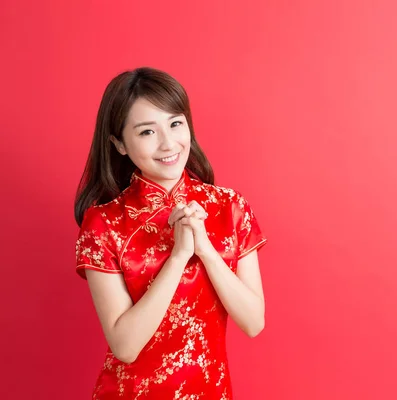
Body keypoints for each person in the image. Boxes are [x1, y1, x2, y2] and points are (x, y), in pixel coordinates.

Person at [74, 67, 268, 399]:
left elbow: (253, 322)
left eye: (175, 124)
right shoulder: (104, 224)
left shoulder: (229, 207)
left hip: (213, 391)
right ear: (119, 143)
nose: (168, 143)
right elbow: (125, 346)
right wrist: (177, 258)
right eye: (147, 132)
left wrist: (205, 250)